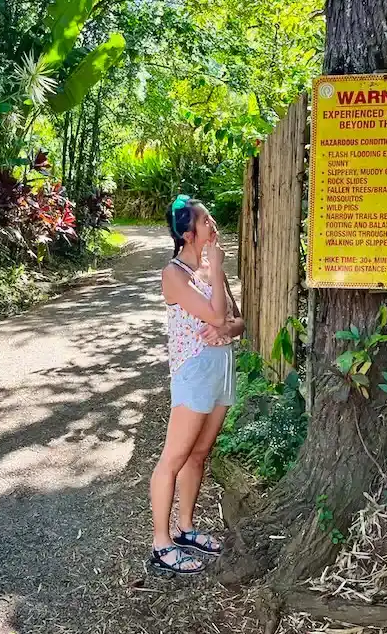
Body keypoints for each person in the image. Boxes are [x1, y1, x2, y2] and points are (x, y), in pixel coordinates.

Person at [149, 194, 245, 576]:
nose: (213, 226)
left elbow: (237, 321)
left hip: (221, 368)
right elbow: (217, 313)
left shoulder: (210, 269)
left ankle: (186, 527)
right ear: (189, 234)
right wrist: (222, 315)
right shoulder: (173, 274)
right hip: (193, 372)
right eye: (206, 221)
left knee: (199, 454)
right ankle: (161, 542)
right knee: (173, 458)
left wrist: (227, 328)